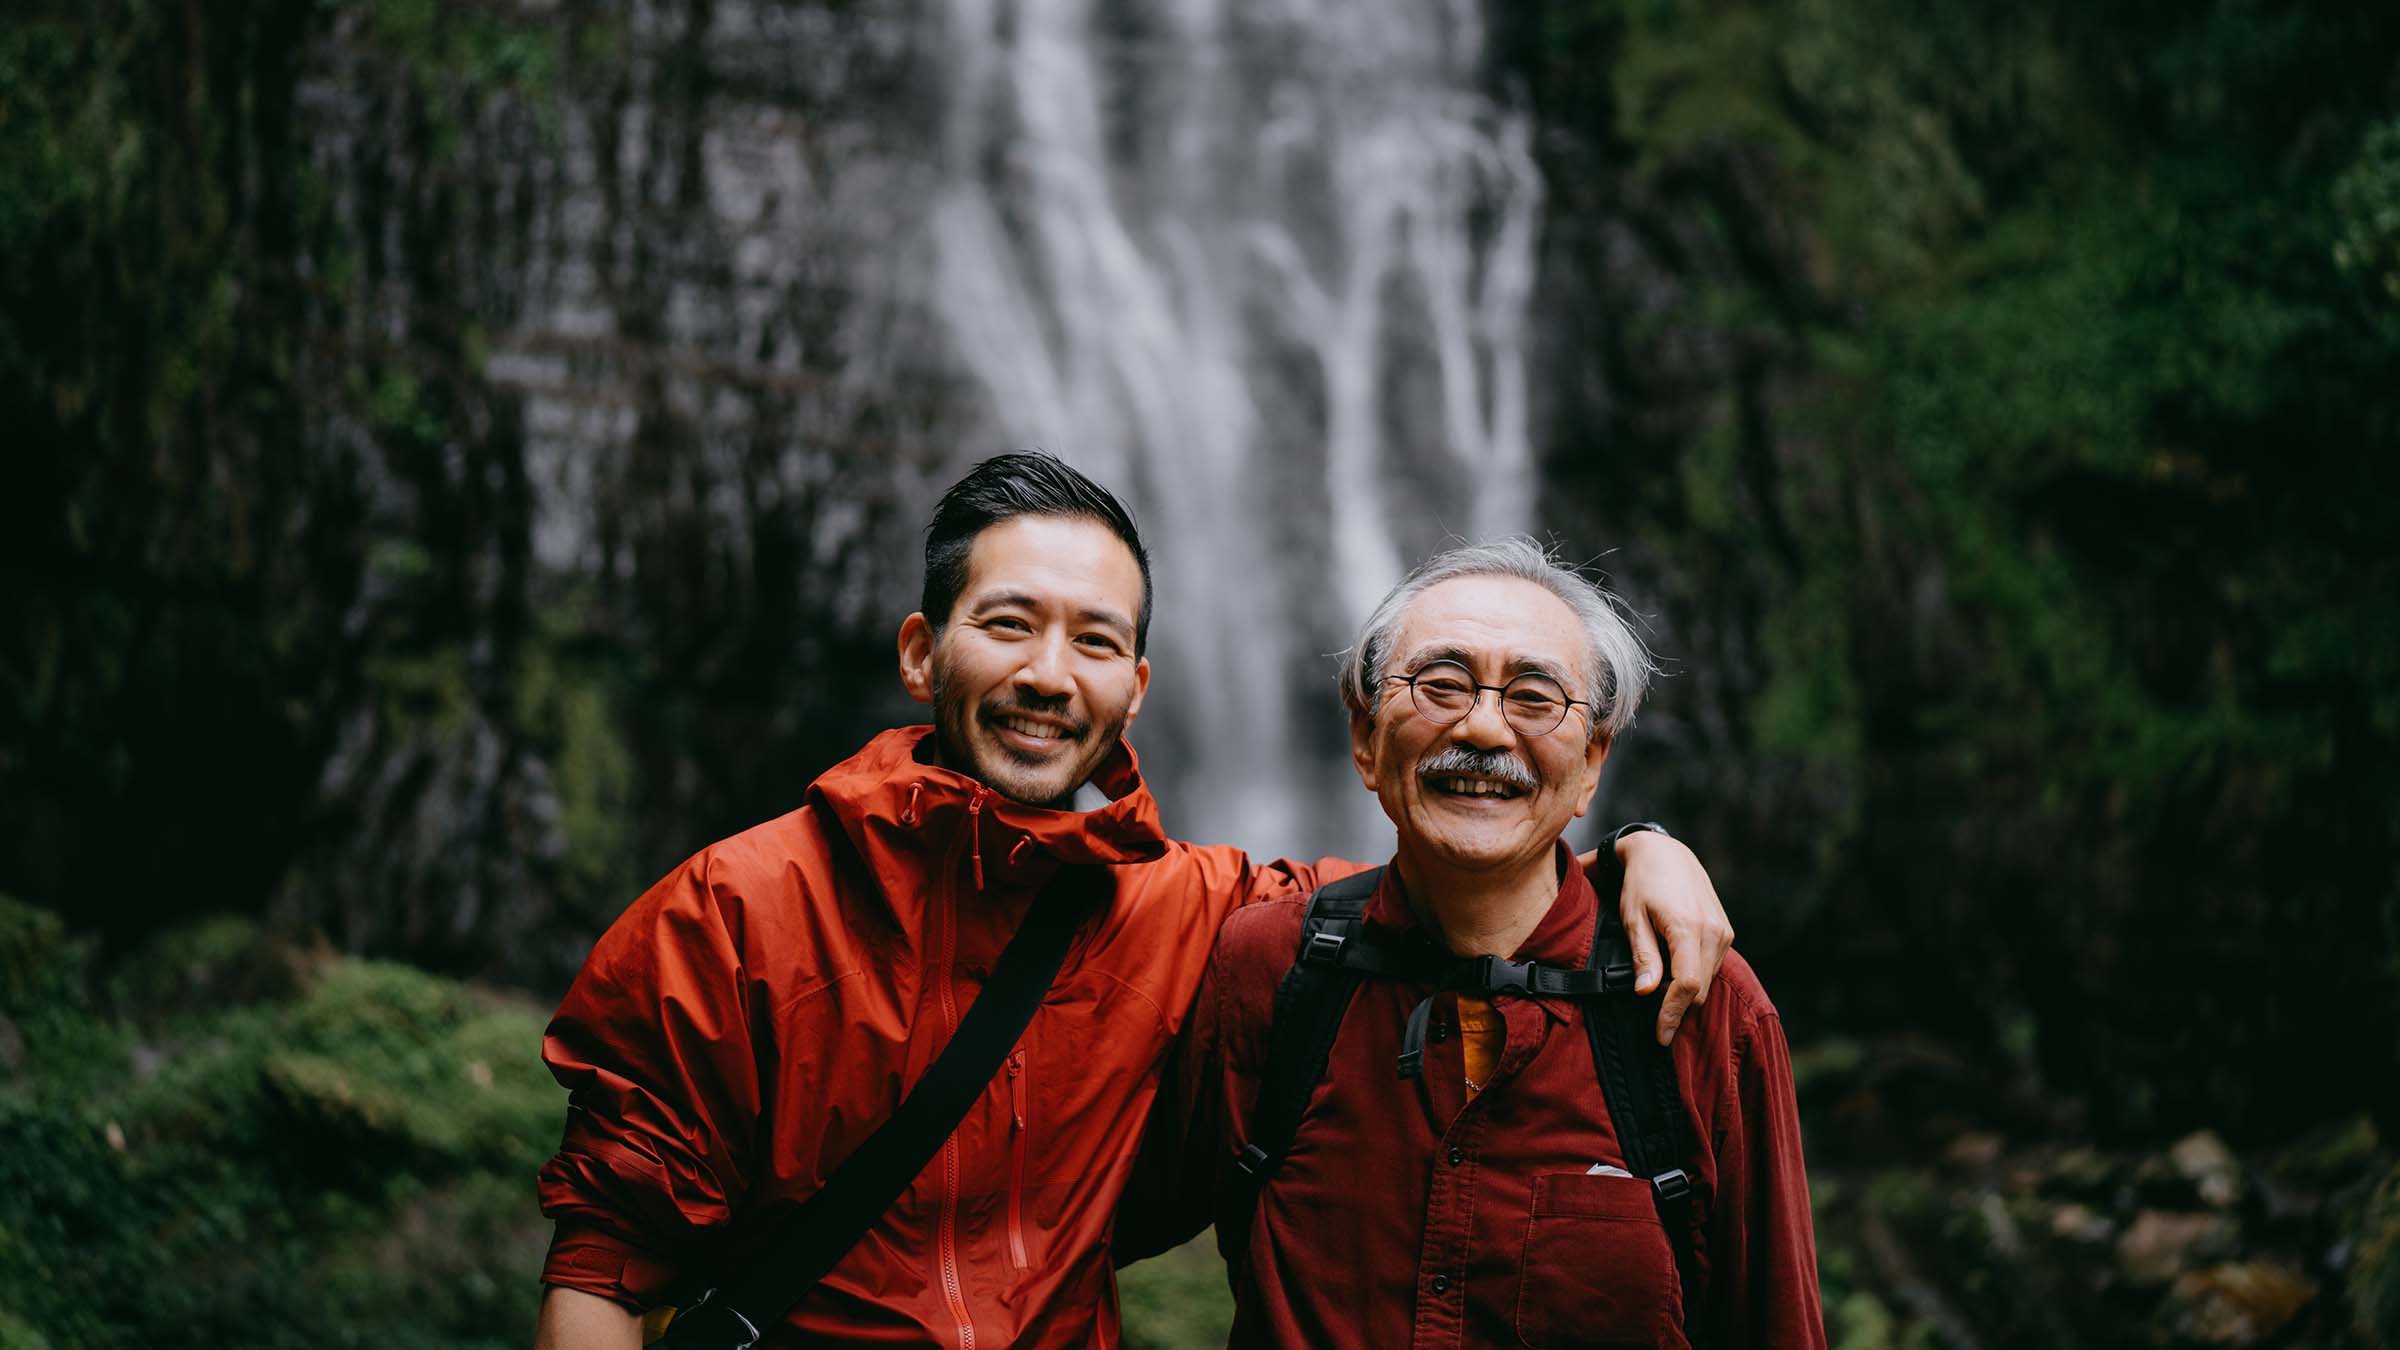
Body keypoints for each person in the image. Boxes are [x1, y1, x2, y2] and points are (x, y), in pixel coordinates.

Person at [532, 455, 1737, 1348]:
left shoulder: (1207, 916)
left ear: (1139, 684)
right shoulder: (734, 912)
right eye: (1008, 625)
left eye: (1094, 642)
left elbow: (1466, 870)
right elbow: (604, 1269)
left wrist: (1639, 844)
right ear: (919, 652)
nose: (1049, 676)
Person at [1119, 538, 1823, 1348]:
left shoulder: (1700, 997)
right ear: (1365, 739)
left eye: (1534, 697)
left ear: (1593, 759)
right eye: (1442, 685)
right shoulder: (1269, 968)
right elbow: (1058, 1231)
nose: (1485, 728)